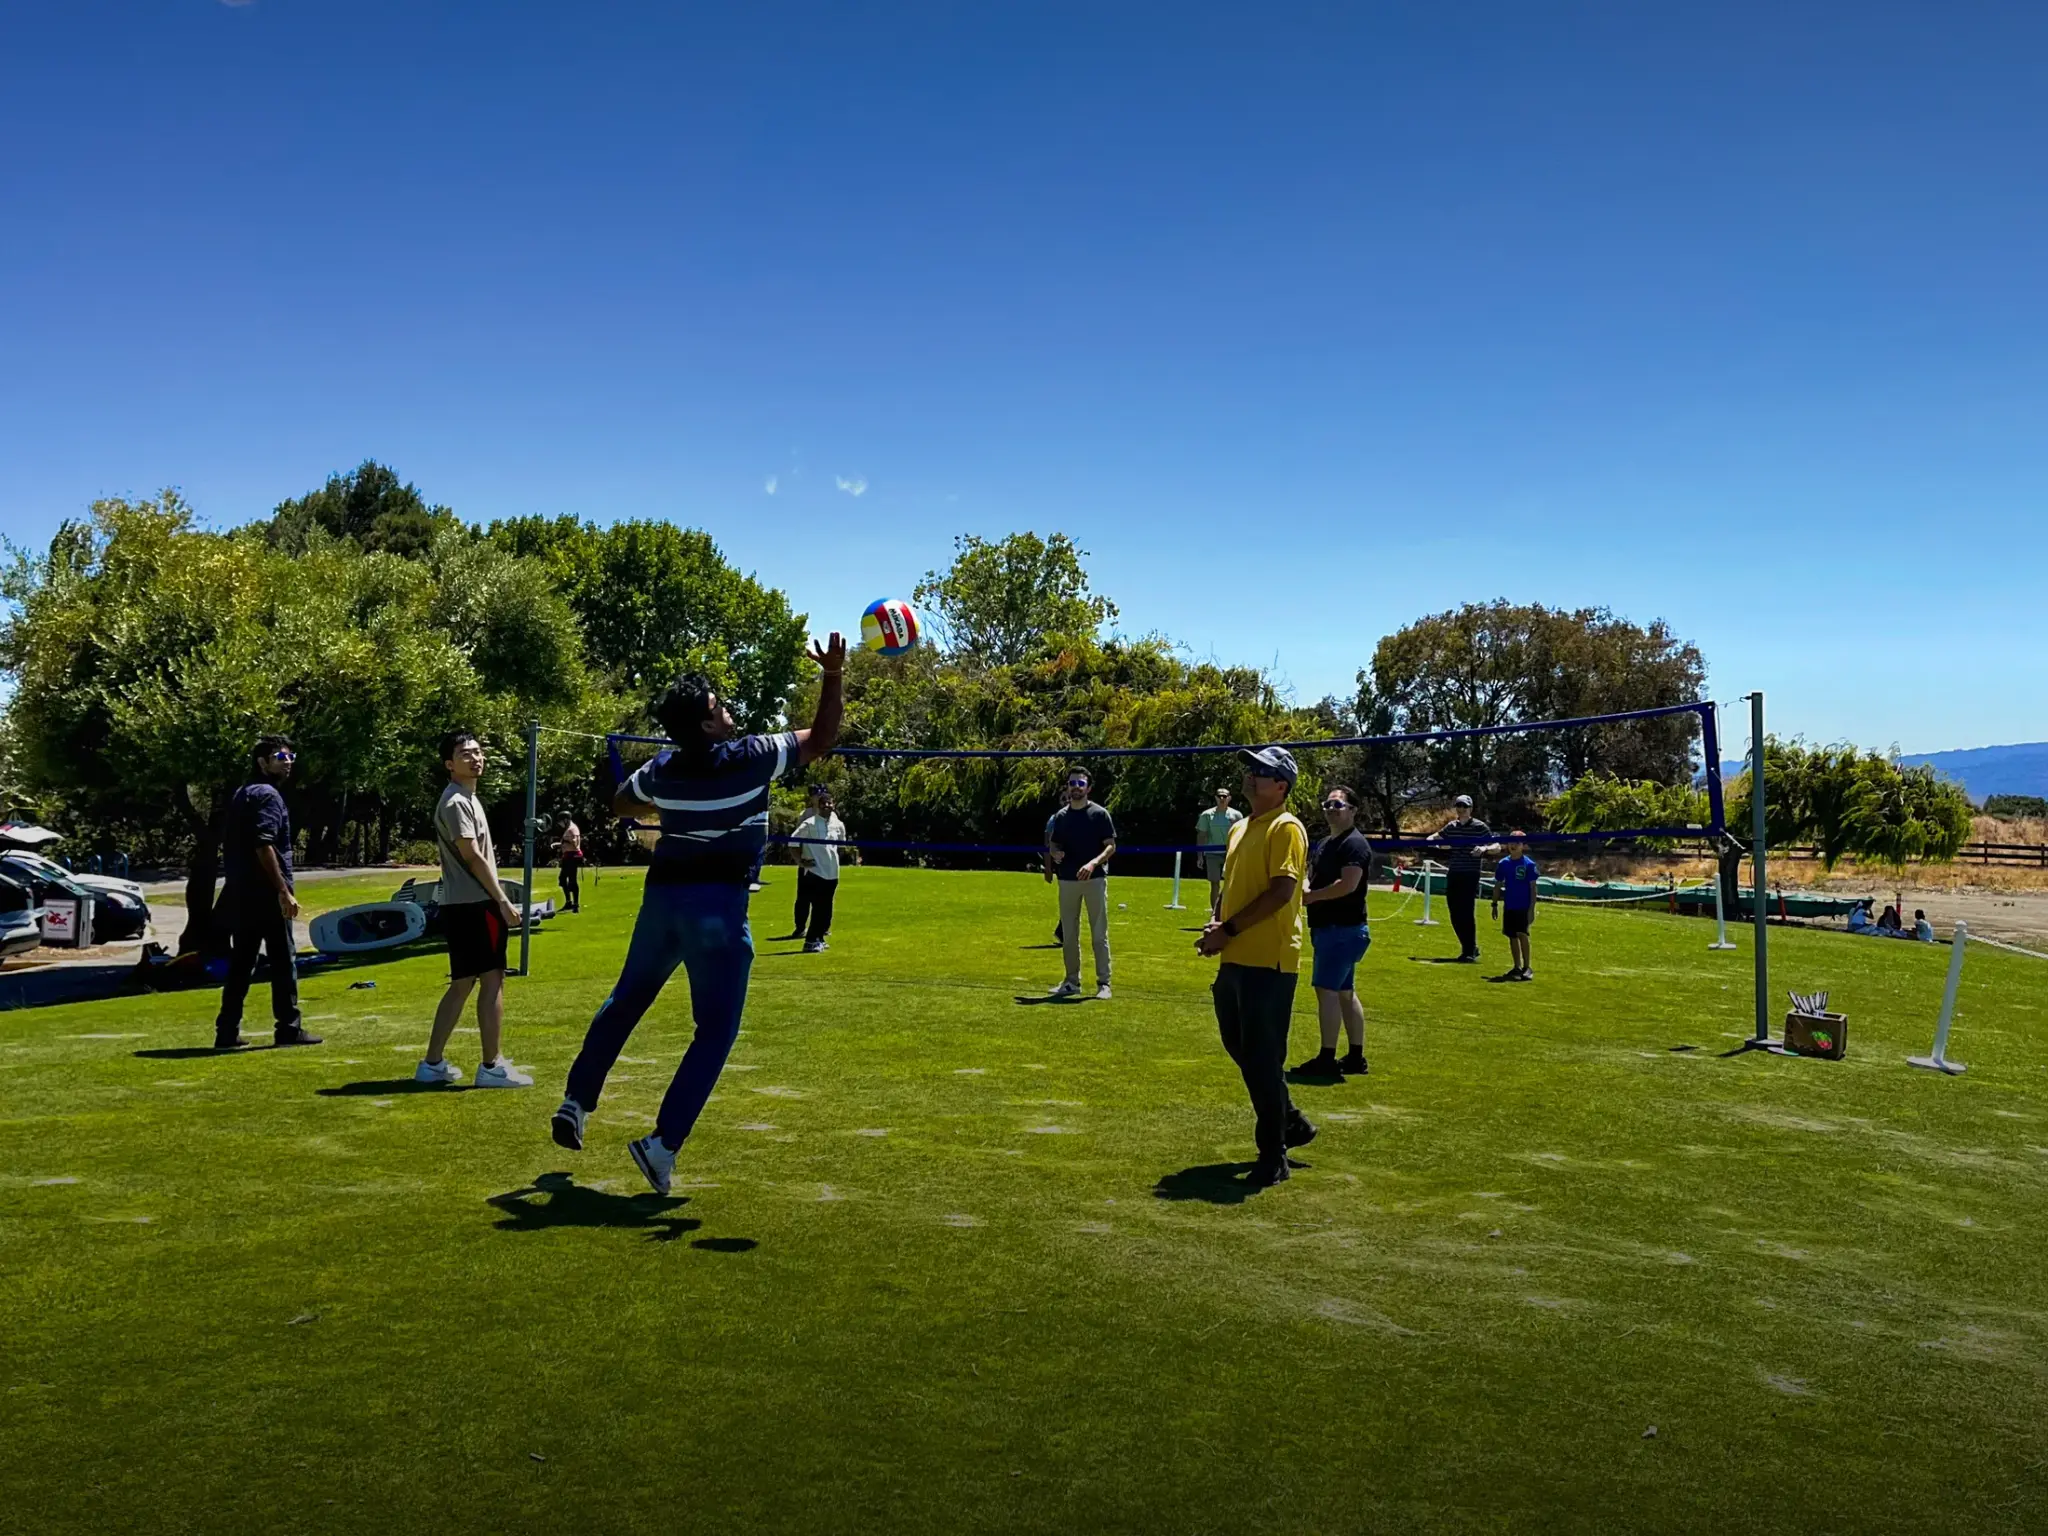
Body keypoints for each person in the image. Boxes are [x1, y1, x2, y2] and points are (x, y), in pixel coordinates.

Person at [553, 633, 846, 1194]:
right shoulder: (753, 756)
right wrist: (832, 675)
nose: (725, 706)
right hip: (717, 906)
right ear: (710, 725)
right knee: (715, 1031)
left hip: (662, 902)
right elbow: (824, 737)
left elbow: (621, 801)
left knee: (625, 1001)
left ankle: (576, 1101)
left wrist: (661, 805)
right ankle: (661, 1145)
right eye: (717, 704)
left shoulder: (664, 768)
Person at [1197, 746, 1315, 1188]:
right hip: (1236, 955)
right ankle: (1289, 1120)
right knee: (1240, 1047)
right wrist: (1218, 926)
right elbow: (1237, 888)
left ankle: (1273, 1153)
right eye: (1251, 769)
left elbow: (1283, 892)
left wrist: (1228, 928)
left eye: (1261, 772)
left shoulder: (1287, 828)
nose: (1250, 776)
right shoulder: (1241, 827)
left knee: (1263, 1057)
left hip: (1270, 959)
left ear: (1280, 786)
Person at [415, 731, 531, 1088]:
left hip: (463, 904)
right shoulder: (456, 802)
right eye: (466, 754)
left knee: (463, 983)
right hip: (475, 904)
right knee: (493, 979)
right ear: (449, 764)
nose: (475, 758)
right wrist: (502, 899)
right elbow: (472, 855)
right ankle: (491, 1066)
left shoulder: (468, 798)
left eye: (479, 752)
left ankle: (432, 1064)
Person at [213, 735, 322, 1050]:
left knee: (242, 963)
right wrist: (283, 891)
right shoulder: (268, 796)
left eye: (290, 756)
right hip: (265, 893)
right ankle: (288, 1028)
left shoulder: (242, 793)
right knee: (283, 960)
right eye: (280, 757)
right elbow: (264, 844)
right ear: (262, 763)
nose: (287, 763)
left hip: (241, 892)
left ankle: (226, 1031)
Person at [1292, 785, 1373, 1077]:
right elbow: (1310, 875)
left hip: (1343, 929)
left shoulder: (1355, 844)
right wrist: (1304, 885)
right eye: (1327, 804)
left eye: (1337, 805)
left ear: (1352, 810)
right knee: (1344, 992)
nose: (1330, 809)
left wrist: (1311, 897)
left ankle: (1327, 1059)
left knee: (1326, 991)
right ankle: (1355, 1057)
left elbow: (1348, 885)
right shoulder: (1325, 843)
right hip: (1331, 928)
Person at [1044, 768, 1116, 999]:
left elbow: (1110, 846)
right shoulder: (1061, 817)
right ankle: (1071, 981)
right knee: (1069, 934)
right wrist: (1054, 855)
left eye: (1080, 783)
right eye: (1072, 783)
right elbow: (1054, 845)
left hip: (1094, 880)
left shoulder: (1100, 814)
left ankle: (1104, 983)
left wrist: (1093, 863)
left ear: (1088, 788)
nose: (1076, 787)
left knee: (1098, 934)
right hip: (1067, 880)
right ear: (1067, 787)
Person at [786, 786, 850, 953]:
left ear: (833, 805)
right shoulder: (809, 823)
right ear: (818, 805)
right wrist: (801, 861)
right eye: (823, 803)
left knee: (826, 908)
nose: (827, 805)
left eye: (829, 803)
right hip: (814, 872)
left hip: (832, 873)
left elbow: (841, 847)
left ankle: (819, 938)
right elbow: (792, 842)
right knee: (818, 906)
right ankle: (810, 941)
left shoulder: (838, 824)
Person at [1433, 794, 1496, 961]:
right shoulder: (1451, 827)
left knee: (1466, 911)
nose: (1461, 809)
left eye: (1464, 806)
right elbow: (1434, 838)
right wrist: (1436, 843)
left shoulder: (1479, 827)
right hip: (1454, 872)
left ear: (1471, 809)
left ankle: (1469, 950)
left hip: (1470, 873)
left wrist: (1484, 849)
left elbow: (1496, 845)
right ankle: (1469, 947)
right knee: (1454, 911)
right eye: (1459, 806)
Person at [1490, 832, 1540, 981]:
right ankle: (1516, 966)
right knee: (1512, 936)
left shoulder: (1529, 865)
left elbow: (1533, 888)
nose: (1513, 846)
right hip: (1509, 905)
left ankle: (1527, 966)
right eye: (1511, 842)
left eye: (1517, 843)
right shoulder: (1503, 864)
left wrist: (1531, 909)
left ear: (1523, 846)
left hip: (1523, 906)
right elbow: (1498, 885)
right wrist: (1494, 903)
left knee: (1522, 934)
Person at [1195, 787, 1246, 916]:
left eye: (1225, 796)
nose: (1222, 799)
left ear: (1229, 798)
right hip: (1212, 854)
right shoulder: (1207, 815)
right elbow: (1201, 835)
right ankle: (1215, 914)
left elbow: (1242, 836)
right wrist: (1200, 856)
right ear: (1216, 798)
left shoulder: (1237, 815)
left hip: (1231, 854)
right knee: (1214, 884)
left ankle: (1229, 912)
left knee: (1231, 884)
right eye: (1219, 796)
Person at [556, 818, 585, 914]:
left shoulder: (572, 829)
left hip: (573, 856)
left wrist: (564, 841)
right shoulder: (568, 828)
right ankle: (569, 902)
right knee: (563, 879)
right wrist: (559, 844)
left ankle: (575, 904)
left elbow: (575, 843)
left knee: (572, 880)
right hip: (567, 856)